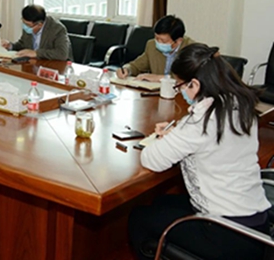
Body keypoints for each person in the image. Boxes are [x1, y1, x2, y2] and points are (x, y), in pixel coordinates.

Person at [128, 43, 270, 260]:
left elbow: (151, 159)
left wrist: (162, 137)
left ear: (194, 83)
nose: (181, 92)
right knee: (162, 202)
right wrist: (178, 134)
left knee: (139, 218)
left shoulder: (201, 121)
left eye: (180, 86)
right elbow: (212, 140)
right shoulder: (239, 103)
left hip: (226, 233)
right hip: (255, 224)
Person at [116, 15, 194, 82]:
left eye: (163, 41)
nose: (158, 42)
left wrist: (160, 78)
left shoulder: (192, 50)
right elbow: (136, 65)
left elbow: (190, 78)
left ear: (178, 41)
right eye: (156, 38)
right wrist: (126, 69)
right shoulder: (152, 45)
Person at [1, 5, 71, 60]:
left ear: (40, 24)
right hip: (34, 64)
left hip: (54, 67)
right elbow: (23, 44)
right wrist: (11, 46)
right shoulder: (29, 26)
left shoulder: (57, 29)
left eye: (28, 25)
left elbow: (62, 54)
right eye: (23, 22)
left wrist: (36, 53)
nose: (25, 26)